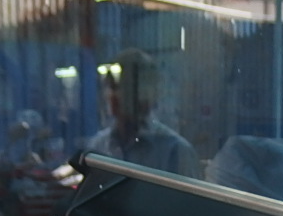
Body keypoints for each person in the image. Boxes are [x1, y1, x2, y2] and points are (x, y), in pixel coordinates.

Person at [85, 49, 199, 178]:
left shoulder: (175, 151)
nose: (113, 95)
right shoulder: (97, 147)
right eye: (111, 87)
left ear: (149, 93)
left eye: (123, 87)